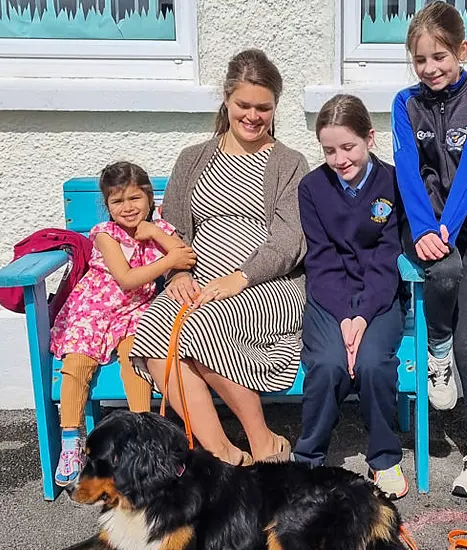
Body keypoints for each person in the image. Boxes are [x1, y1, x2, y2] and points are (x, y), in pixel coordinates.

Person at [129, 49, 308, 466]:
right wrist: (175, 274)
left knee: (195, 327)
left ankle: (261, 440)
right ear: (226, 100)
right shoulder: (192, 159)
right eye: (243, 104)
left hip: (269, 286)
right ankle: (224, 455)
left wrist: (238, 278)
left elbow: (288, 242)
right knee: (155, 328)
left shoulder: (288, 163)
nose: (252, 115)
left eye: (263, 107)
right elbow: (171, 228)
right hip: (198, 280)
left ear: (275, 107)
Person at [391, 0, 467, 496]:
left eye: (441, 56)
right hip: (425, 230)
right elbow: (407, 170)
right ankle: (435, 349)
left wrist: (447, 228)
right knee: (441, 273)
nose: (431, 68)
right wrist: (422, 228)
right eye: (421, 60)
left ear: (462, 50)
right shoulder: (404, 103)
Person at [48, 161, 197, 486]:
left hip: (135, 312)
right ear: (107, 205)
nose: (127, 208)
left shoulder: (157, 228)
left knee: (137, 360)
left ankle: (141, 438)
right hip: (95, 308)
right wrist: (168, 260)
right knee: (77, 361)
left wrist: (156, 233)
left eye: (134, 199)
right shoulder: (105, 234)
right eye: (117, 202)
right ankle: (71, 439)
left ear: (148, 198)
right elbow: (127, 278)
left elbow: (186, 255)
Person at [293, 94, 408, 499]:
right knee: (327, 364)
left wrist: (362, 317)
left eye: (348, 147)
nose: (339, 158)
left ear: (369, 139)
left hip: (379, 298)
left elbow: (388, 255)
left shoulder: (393, 182)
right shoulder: (312, 188)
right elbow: (321, 261)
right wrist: (344, 316)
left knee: (375, 363)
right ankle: (308, 458)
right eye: (328, 150)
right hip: (330, 298)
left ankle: (384, 457)